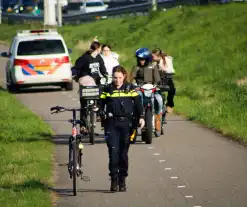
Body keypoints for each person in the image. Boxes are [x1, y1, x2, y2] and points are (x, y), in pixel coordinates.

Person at [99, 65, 145, 192]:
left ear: (124, 77)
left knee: (123, 154)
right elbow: (100, 104)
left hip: (127, 124)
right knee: (113, 153)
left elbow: (138, 104)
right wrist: (100, 111)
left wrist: (141, 117)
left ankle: (122, 180)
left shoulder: (130, 88)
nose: (117, 80)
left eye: (119, 77)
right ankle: (113, 179)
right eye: (115, 78)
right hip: (111, 124)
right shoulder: (107, 89)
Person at [73, 41, 108, 133]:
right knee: (84, 105)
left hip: (96, 82)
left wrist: (105, 74)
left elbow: (102, 68)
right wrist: (76, 76)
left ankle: (99, 114)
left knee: (102, 95)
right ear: (98, 49)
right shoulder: (85, 58)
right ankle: (83, 126)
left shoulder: (99, 58)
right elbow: (76, 67)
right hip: (86, 84)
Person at [131, 47, 163, 137]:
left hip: (152, 88)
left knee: (159, 100)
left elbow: (157, 79)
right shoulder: (136, 67)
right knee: (136, 99)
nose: (141, 61)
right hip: (140, 88)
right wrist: (135, 86)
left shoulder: (153, 66)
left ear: (147, 58)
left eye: (143, 59)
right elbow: (132, 78)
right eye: (140, 59)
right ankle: (138, 117)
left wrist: (156, 86)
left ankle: (158, 123)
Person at [151, 48, 176, 114]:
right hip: (157, 79)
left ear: (158, 56)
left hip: (166, 78)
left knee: (172, 90)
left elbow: (171, 70)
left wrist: (163, 70)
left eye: (153, 56)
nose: (152, 58)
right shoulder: (153, 62)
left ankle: (170, 105)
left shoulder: (167, 60)